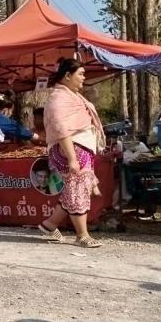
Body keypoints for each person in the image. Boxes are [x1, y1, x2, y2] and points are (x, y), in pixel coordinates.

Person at [39, 58, 105, 248]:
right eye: (81, 74)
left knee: (73, 190)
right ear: (68, 75)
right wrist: (72, 158)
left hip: (79, 149)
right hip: (70, 150)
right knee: (77, 190)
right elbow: (62, 130)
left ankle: (49, 225)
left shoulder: (71, 96)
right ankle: (82, 235)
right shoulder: (58, 99)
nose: (84, 77)